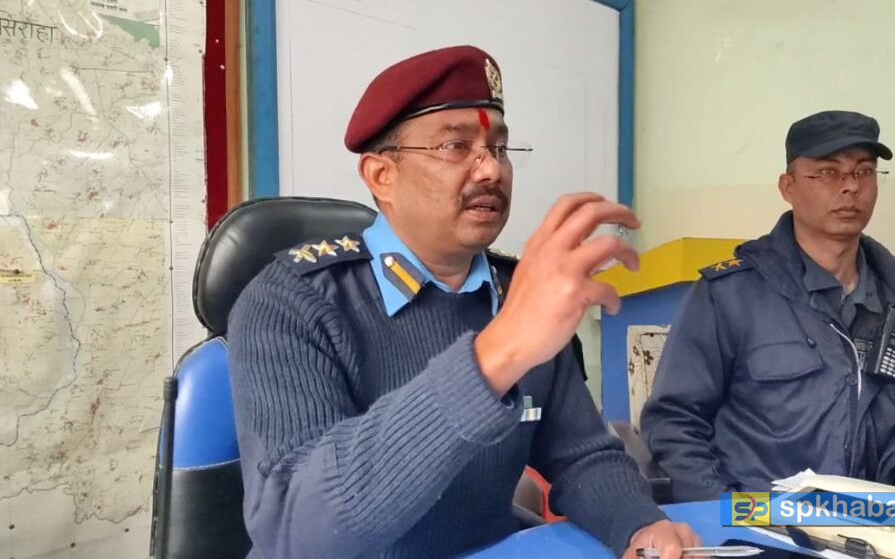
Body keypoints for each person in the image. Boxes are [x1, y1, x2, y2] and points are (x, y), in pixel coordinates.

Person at [228, 45, 699, 559]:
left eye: (499, 148)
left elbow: (581, 455)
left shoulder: (516, 290)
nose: (491, 170)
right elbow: (294, 528)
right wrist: (496, 354)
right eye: (456, 146)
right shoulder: (291, 300)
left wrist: (638, 525)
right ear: (382, 176)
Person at [641, 110, 895, 502]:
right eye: (828, 173)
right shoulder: (729, 295)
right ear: (788, 186)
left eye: (864, 171)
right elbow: (675, 422)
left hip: (878, 521)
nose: (850, 187)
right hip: (760, 522)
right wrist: (727, 514)